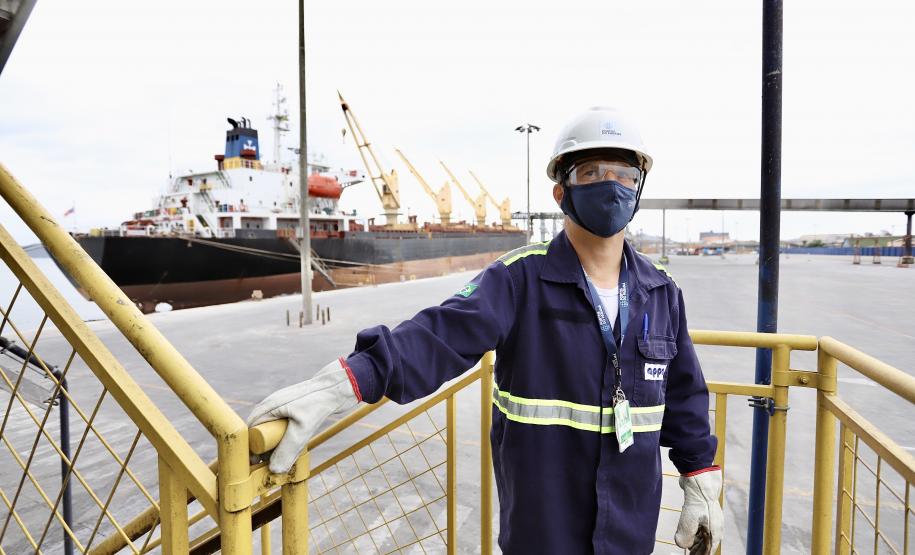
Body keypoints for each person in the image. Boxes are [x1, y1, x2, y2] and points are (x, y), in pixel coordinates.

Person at [247, 106, 724, 554]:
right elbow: (441, 334)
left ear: (639, 189)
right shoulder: (519, 280)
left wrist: (701, 479)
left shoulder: (661, 294)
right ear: (561, 190)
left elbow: (685, 398)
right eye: (591, 173)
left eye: (625, 175)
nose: (612, 186)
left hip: (629, 530)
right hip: (542, 531)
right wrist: (348, 381)